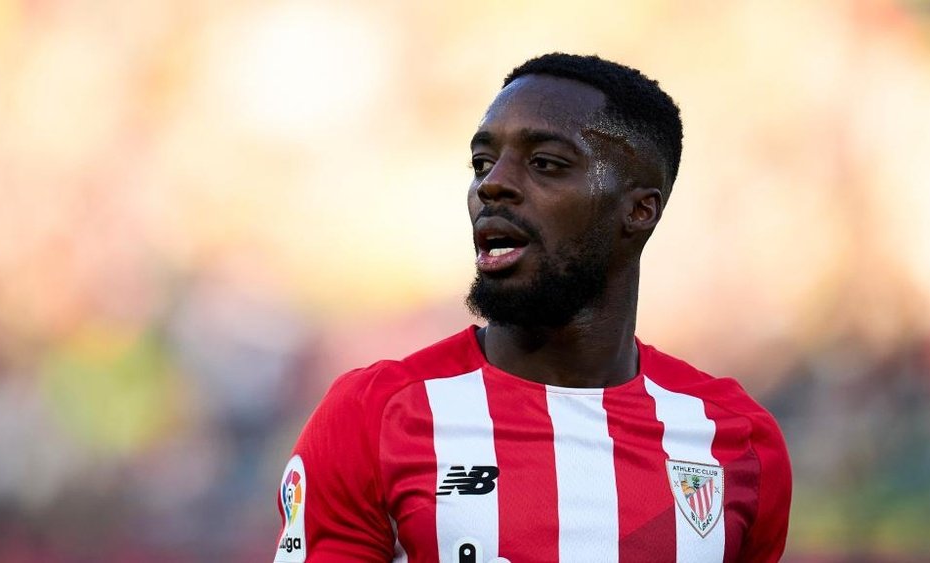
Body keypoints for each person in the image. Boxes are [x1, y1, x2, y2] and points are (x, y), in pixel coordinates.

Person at [274, 53, 792, 563]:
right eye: (482, 163)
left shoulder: (738, 440)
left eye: (545, 163)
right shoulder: (374, 416)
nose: (491, 184)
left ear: (638, 210)